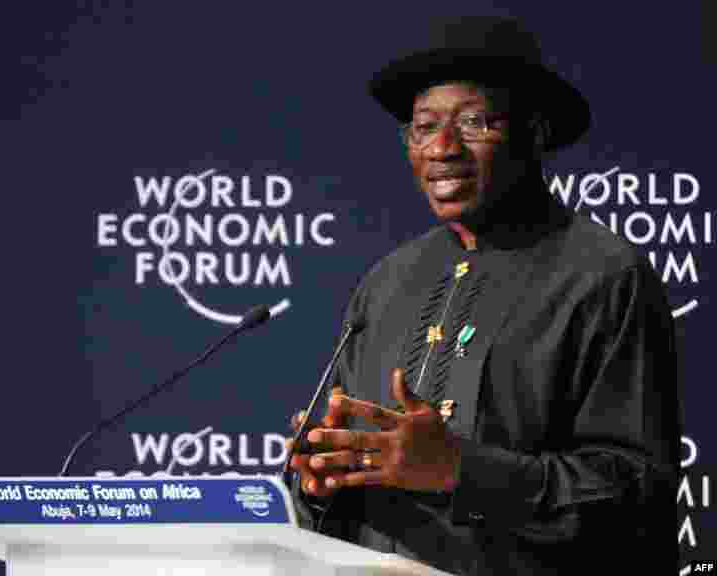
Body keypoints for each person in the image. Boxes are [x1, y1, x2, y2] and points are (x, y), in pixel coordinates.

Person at [285, 16, 682, 575]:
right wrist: (321, 483)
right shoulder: (387, 280)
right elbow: (334, 497)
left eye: (474, 122)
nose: (443, 148)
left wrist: (458, 469)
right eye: (424, 127)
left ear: (535, 132)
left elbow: (636, 493)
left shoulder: (605, 276)